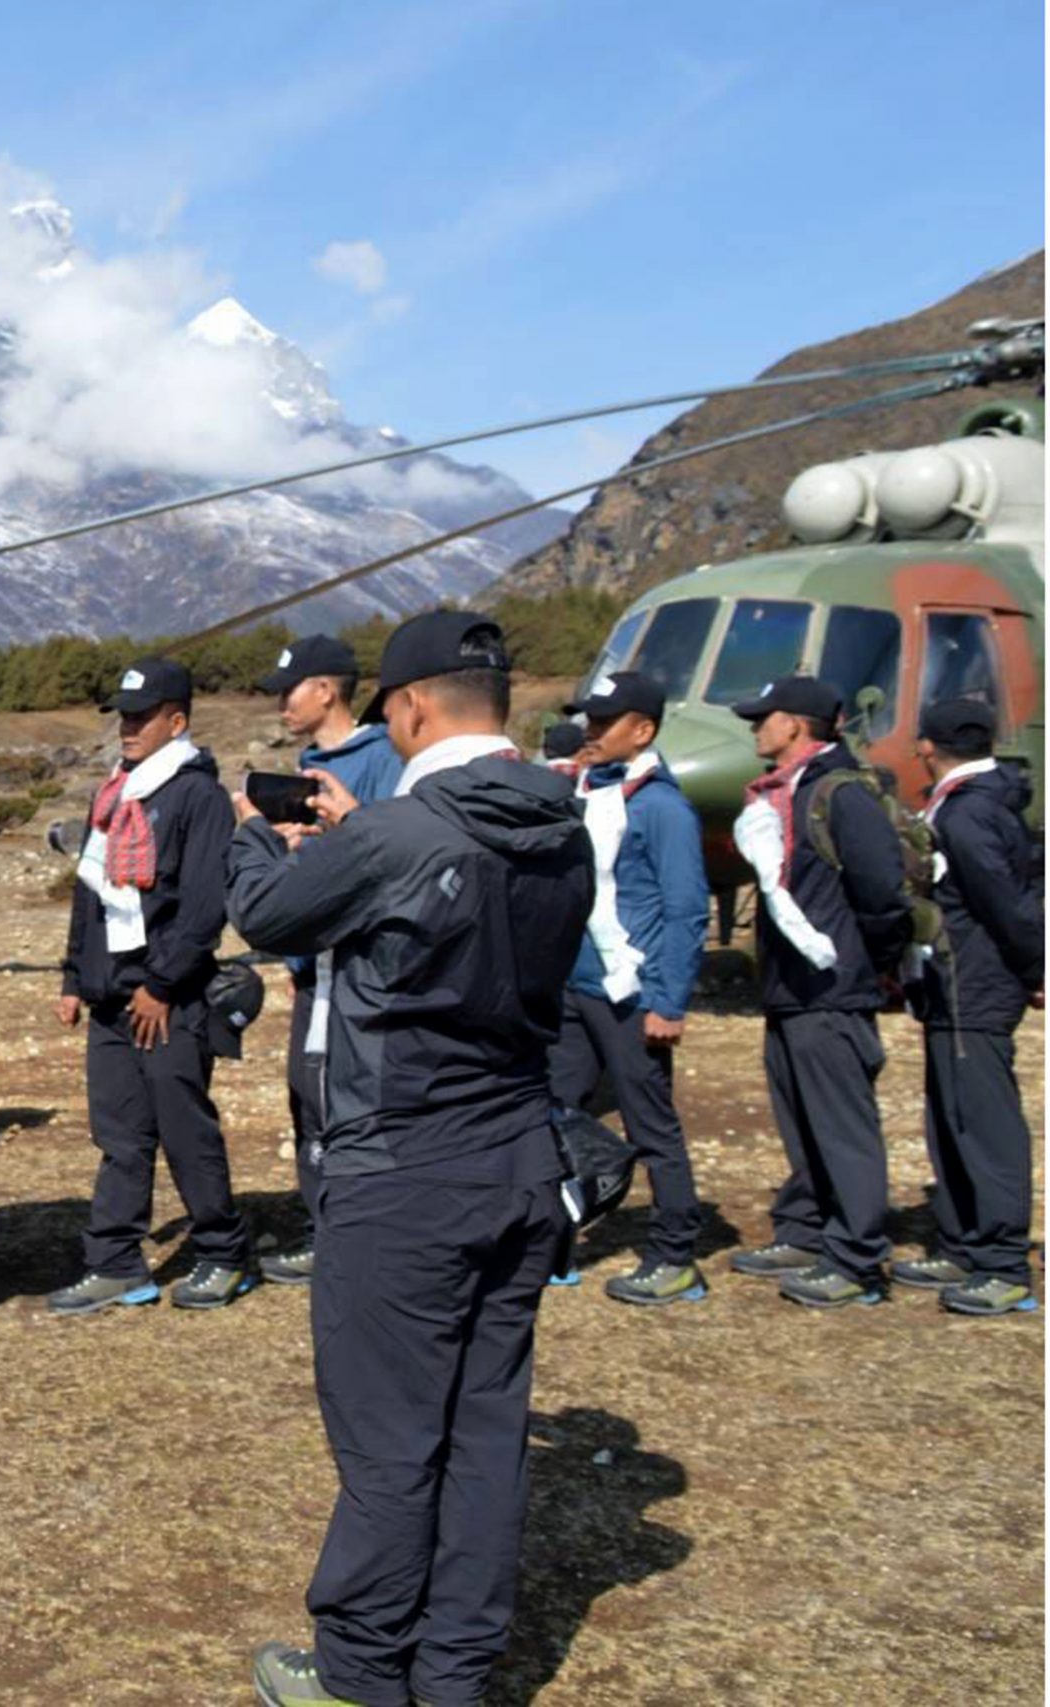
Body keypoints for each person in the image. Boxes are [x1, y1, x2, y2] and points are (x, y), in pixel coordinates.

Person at [232, 611, 592, 1707]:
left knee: (390, 1443)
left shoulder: (399, 835)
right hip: (519, 1158)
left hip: (403, 1172)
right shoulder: (561, 823)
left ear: (411, 707)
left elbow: (263, 915)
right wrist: (360, 831)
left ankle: (356, 1672)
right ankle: (455, 1671)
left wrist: (262, 827)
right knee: (486, 1432)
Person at [49, 655, 252, 1313]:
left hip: (170, 998)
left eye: (141, 716)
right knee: (118, 1134)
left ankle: (222, 1252)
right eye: (123, 716)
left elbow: (203, 905)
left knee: (184, 1129)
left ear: (177, 719)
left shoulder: (199, 796)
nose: (127, 727)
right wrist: (75, 977)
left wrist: (163, 985)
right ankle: (115, 1261)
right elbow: (91, 893)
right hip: (112, 994)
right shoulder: (114, 792)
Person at [722, 676, 910, 1309]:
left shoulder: (839, 794)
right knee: (801, 1121)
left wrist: (870, 966)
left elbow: (883, 892)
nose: (754, 729)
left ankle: (858, 1258)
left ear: (796, 725)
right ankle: (805, 1230)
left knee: (842, 1126)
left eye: (762, 718)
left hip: (832, 990)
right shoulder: (788, 793)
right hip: (791, 991)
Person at [551, 671, 711, 1306]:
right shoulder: (589, 792)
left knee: (651, 1125)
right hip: (574, 986)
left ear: (641, 730)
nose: (589, 732)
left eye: (603, 722)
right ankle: (557, 1235)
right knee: (554, 1109)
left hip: (630, 993)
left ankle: (674, 1253)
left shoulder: (663, 808)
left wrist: (669, 1000)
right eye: (587, 720)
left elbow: (686, 909)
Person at [253, 632, 404, 1287]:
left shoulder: (383, 760)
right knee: (307, 1096)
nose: (282, 703)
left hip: (366, 967)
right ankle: (324, 1230)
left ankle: (367, 1234)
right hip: (315, 968)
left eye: (289, 689)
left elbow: (399, 852)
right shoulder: (311, 760)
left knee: (360, 1101)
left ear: (325, 689)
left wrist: (351, 827)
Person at [898, 695, 1044, 1317]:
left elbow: (1004, 903)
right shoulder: (983, 802)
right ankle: (962, 1241)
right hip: (957, 987)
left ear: (928, 746)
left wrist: (1036, 967)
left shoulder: (965, 816)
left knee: (983, 1123)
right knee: (950, 1116)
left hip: (974, 985)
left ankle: (1004, 1264)